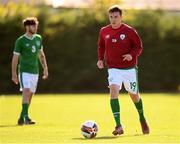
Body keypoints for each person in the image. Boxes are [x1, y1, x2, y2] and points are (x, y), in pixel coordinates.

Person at [97, 5, 149, 135]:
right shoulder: (104, 31)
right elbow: (101, 46)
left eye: (116, 17)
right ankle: (118, 126)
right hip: (113, 68)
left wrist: (132, 54)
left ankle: (142, 118)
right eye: (111, 17)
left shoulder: (129, 31)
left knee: (134, 96)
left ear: (121, 17)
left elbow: (139, 46)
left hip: (129, 69)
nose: (113, 19)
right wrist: (100, 59)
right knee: (113, 91)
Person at [11, 17, 48, 125]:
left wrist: (45, 68)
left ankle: (21, 117)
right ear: (27, 27)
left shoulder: (38, 38)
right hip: (24, 71)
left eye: (36, 25)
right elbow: (15, 58)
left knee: (30, 95)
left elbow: (41, 54)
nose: (35, 27)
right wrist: (14, 74)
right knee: (26, 92)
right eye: (33, 25)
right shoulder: (20, 40)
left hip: (35, 71)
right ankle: (27, 118)